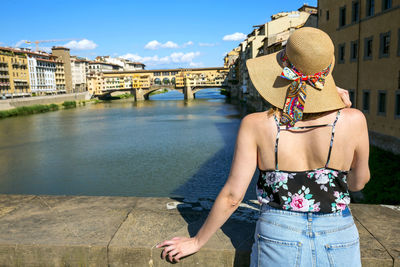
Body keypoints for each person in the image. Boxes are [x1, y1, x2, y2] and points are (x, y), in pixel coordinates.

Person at [156, 27, 370, 266]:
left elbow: (232, 197)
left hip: (278, 235)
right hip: (339, 234)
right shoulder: (354, 120)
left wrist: (196, 241)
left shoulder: (256, 124)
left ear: (283, 68)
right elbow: (357, 183)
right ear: (328, 69)